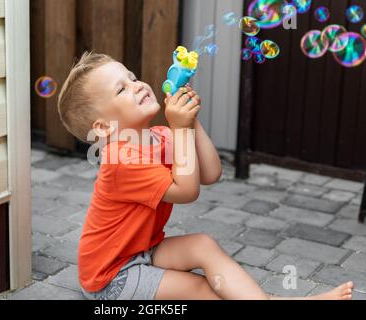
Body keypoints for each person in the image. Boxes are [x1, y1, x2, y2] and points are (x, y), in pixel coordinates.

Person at [57, 51, 354, 300]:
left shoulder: (159, 136)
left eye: (133, 77)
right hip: (112, 277)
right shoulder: (121, 160)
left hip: (142, 249)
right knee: (201, 290)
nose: (137, 85)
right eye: (121, 89)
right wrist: (182, 128)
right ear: (104, 128)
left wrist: (191, 122)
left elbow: (211, 173)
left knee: (202, 244)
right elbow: (187, 191)